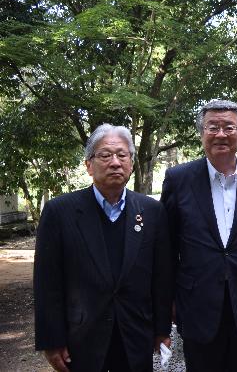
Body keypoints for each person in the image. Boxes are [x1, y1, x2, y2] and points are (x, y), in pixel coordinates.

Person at [34, 124, 173, 372]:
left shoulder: (152, 211)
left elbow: (161, 277)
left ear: (131, 163)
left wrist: (161, 329)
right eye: (105, 155)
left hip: (135, 335)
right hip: (81, 338)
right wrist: (51, 340)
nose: (115, 162)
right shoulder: (59, 212)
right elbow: (47, 282)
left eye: (122, 155)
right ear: (89, 164)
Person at [161, 99, 237, 371]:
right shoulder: (179, 179)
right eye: (212, 127)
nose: (221, 135)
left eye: (229, 127)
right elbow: (165, 247)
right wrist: (167, 299)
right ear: (201, 133)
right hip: (196, 300)